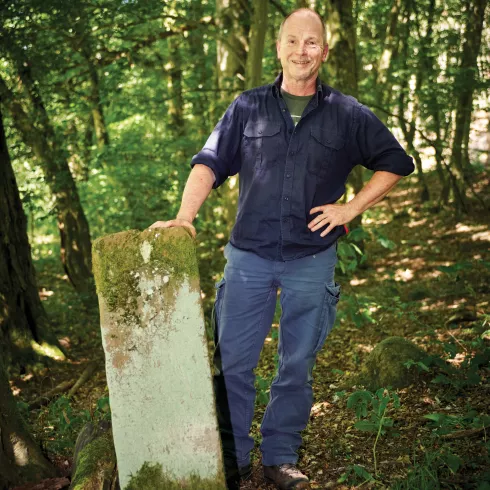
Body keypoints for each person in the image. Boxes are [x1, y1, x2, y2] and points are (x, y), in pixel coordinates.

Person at [150, 8, 414, 490]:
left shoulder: (348, 114)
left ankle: (280, 458)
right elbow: (208, 163)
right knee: (233, 361)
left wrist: (351, 208)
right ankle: (231, 460)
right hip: (247, 257)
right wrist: (185, 218)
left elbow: (396, 161)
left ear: (324, 52)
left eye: (311, 43)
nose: (301, 51)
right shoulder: (246, 107)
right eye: (292, 41)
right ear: (278, 48)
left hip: (311, 260)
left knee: (296, 363)